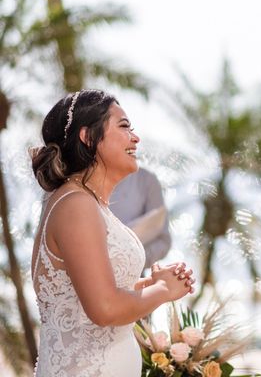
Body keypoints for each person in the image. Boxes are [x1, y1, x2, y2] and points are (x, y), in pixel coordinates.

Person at [30, 89, 195, 377]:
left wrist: (145, 285)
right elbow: (104, 308)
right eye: (124, 126)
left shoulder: (85, 202)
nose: (135, 137)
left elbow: (89, 297)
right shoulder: (76, 205)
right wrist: (163, 290)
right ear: (88, 137)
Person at [110, 167, 171, 269]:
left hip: (133, 276)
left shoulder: (147, 180)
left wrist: (127, 261)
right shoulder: (80, 180)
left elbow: (164, 241)